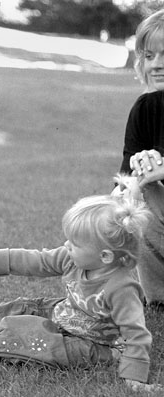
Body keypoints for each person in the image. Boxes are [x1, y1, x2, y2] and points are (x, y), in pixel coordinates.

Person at [0, 195, 161, 392]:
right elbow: (37, 260)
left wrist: (135, 375)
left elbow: (136, 334)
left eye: (74, 243)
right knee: (22, 306)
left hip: (94, 342)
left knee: (47, 345)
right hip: (64, 313)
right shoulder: (72, 259)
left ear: (105, 257)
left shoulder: (122, 288)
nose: (66, 245)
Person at [120, 9, 164, 306]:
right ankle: (159, 295)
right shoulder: (145, 108)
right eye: (149, 56)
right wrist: (137, 176)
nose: (156, 65)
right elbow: (121, 184)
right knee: (137, 196)